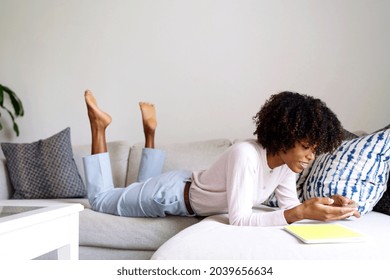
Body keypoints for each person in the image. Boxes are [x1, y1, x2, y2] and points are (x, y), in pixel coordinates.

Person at [83, 90, 360, 227]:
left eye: (314, 149)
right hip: (171, 195)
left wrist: (330, 206)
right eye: (305, 147)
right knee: (100, 200)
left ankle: (150, 134)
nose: (310, 156)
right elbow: (239, 220)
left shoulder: (286, 166)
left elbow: (290, 209)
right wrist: (300, 212)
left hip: (181, 183)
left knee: (136, 187)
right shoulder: (246, 154)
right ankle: (98, 126)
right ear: (286, 137)